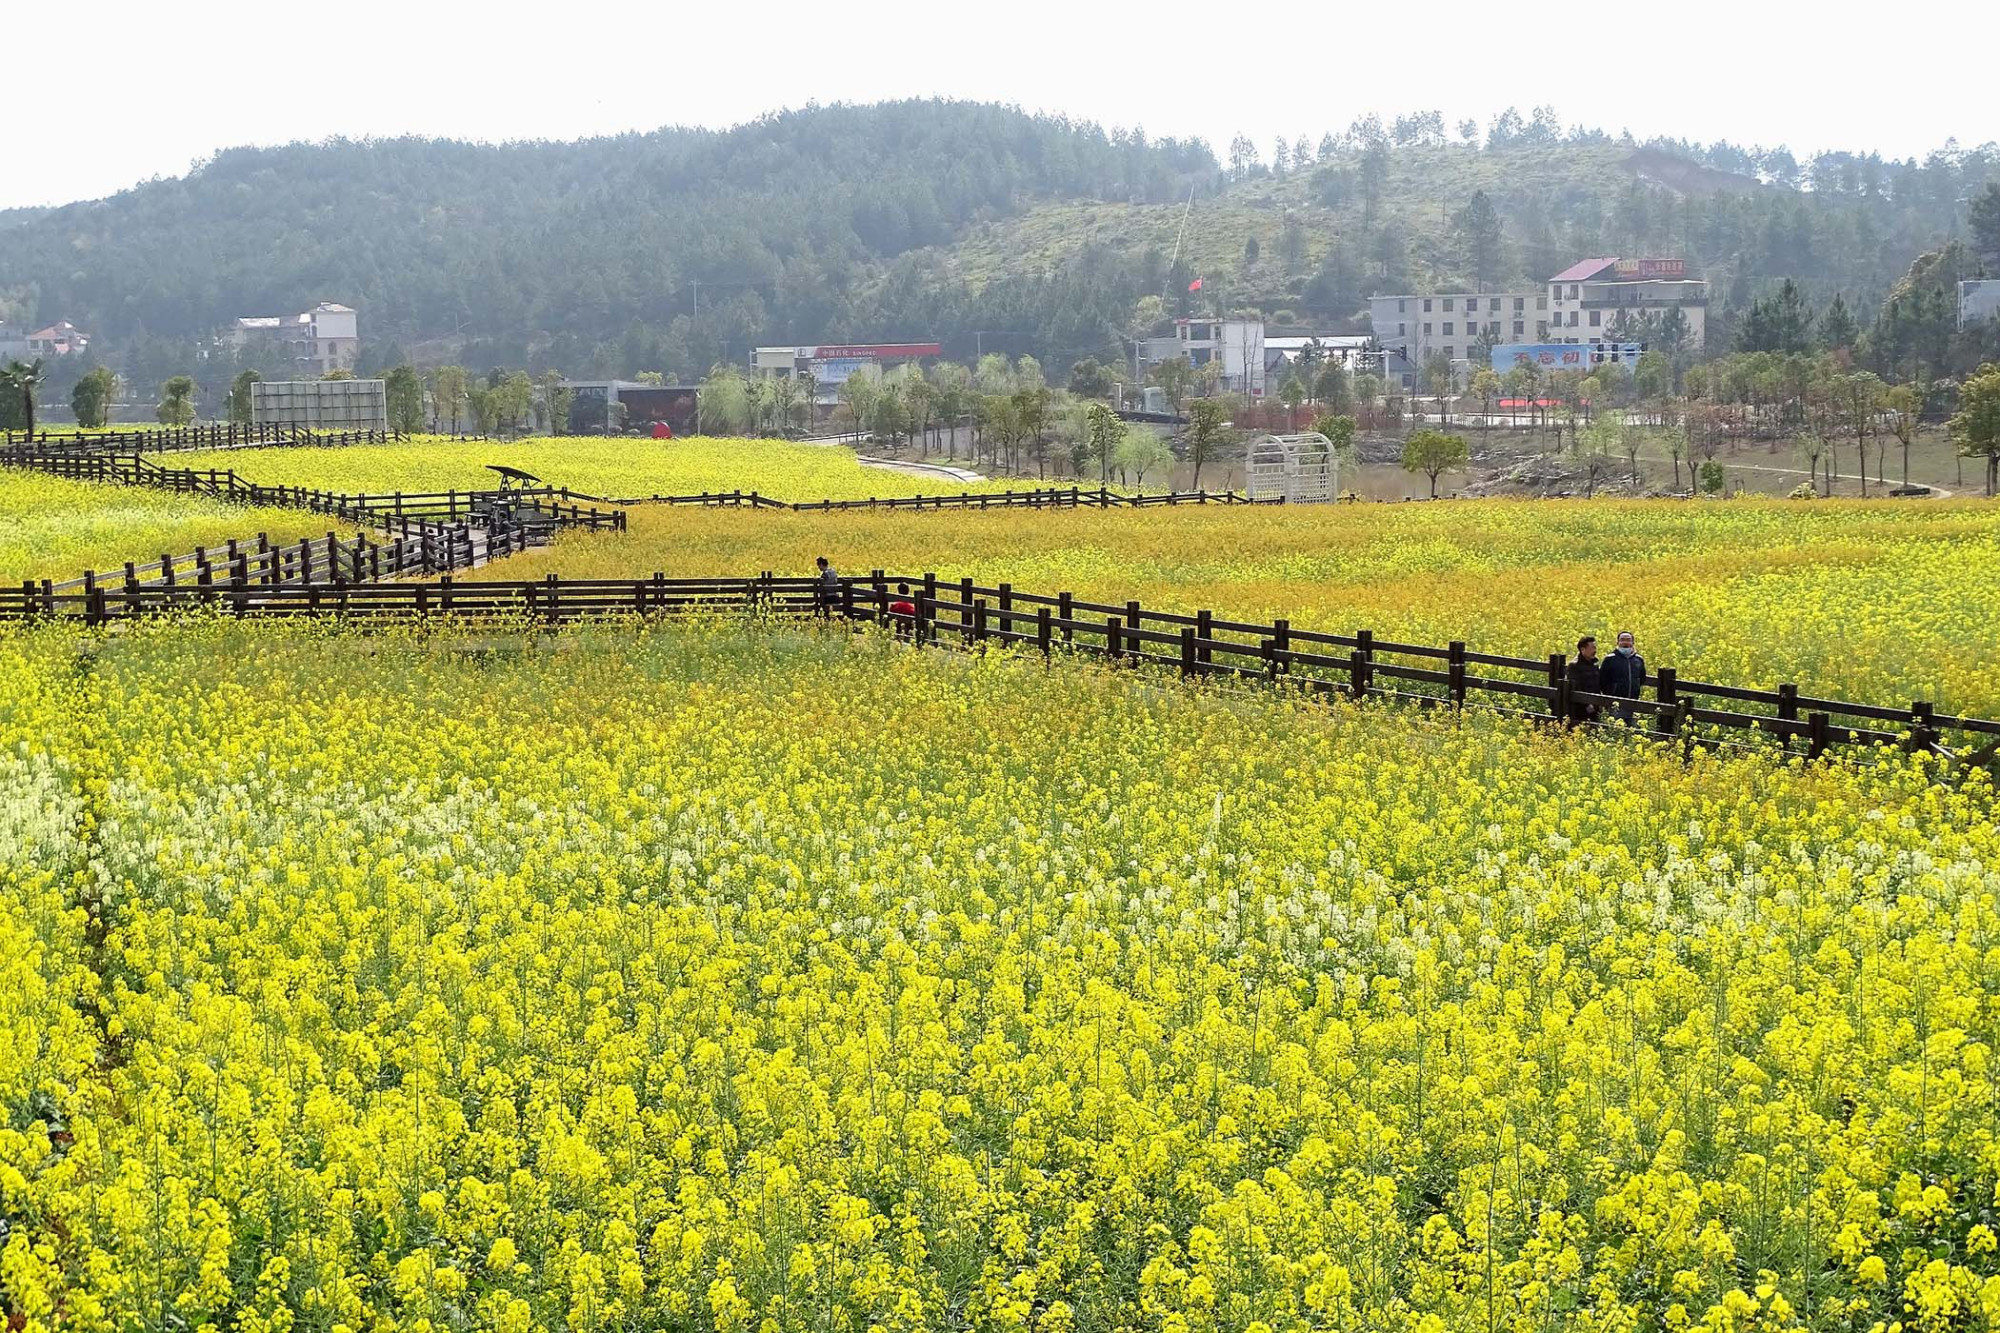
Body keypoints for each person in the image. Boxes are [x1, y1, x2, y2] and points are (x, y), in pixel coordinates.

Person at [1599, 630, 1646, 722]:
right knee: (1615, 726)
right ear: (1618, 642)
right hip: (1614, 703)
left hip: (1633, 702)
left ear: (1633, 643)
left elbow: (1642, 679)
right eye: (1622, 640)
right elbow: (1602, 680)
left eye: (1628, 640)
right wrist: (1610, 693)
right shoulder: (1610, 659)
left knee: (1631, 727)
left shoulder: (1638, 660)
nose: (1625, 643)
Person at [1565, 634, 1602, 726]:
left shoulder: (1594, 664)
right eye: (1592, 648)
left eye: (1595, 647)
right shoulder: (1574, 665)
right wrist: (1587, 704)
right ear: (1582, 649)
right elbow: (1576, 687)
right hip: (1580, 708)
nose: (1595, 651)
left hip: (1595, 705)